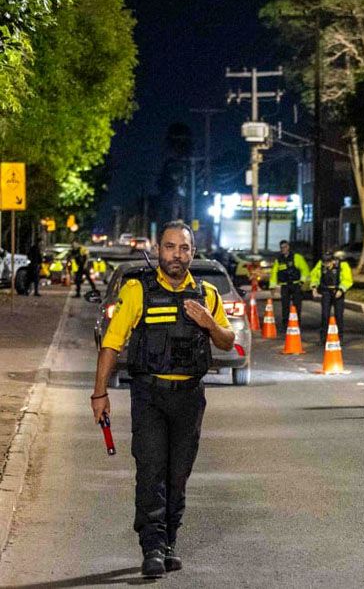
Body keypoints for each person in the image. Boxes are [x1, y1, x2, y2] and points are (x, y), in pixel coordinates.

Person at [90, 221, 234, 579]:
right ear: (159, 250)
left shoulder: (207, 295)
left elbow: (228, 341)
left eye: (184, 248)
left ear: (192, 253)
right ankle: (152, 546)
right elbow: (111, 343)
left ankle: (169, 541)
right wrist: (99, 392)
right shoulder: (138, 291)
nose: (177, 255)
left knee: (178, 474)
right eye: (170, 247)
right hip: (150, 395)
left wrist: (209, 324)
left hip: (189, 397)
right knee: (152, 469)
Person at [310, 250, 354, 345]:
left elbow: (348, 279)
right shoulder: (321, 265)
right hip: (326, 292)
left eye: (328, 262)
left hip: (337, 292)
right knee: (325, 315)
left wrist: (341, 290)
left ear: (333, 260)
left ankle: (339, 337)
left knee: (339, 315)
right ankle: (323, 338)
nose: (326, 264)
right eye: (324, 262)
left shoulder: (342, 265)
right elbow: (314, 276)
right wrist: (314, 287)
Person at [269, 239, 310, 324]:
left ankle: (296, 322)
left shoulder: (296, 257)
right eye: (281, 247)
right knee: (285, 306)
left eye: (285, 247)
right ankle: (285, 323)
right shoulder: (279, 260)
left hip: (296, 284)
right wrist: (272, 286)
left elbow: (305, 270)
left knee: (297, 305)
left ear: (288, 247)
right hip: (285, 286)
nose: (283, 249)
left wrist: (302, 282)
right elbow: (274, 273)